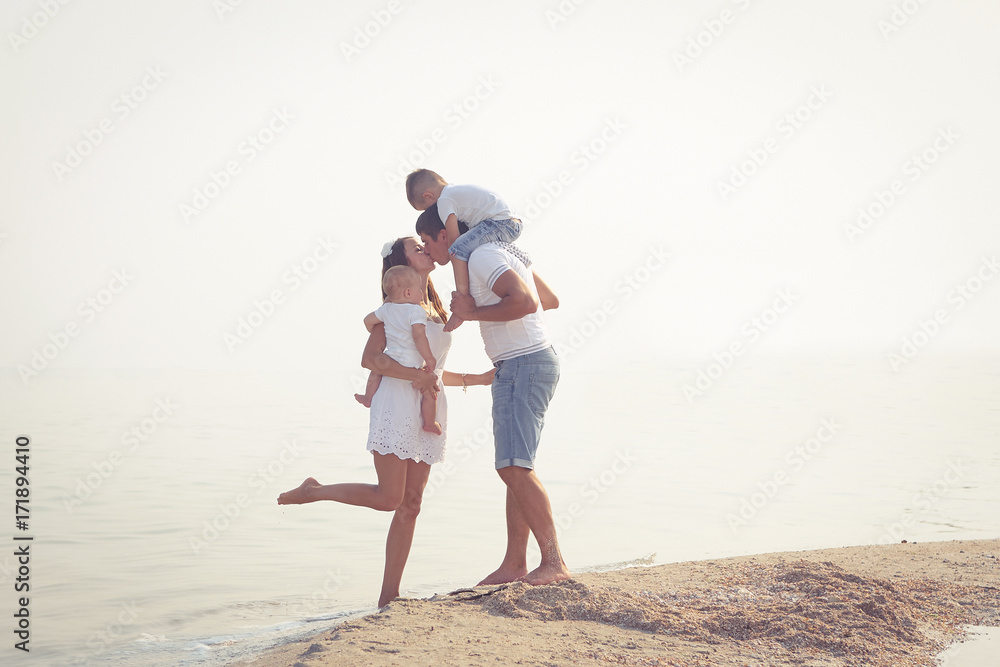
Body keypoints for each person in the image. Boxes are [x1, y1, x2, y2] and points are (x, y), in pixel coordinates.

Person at [278, 236, 495, 607]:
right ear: (401, 262)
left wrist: (476, 379)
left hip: (430, 403)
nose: (426, 249)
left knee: (411, 503)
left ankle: (388, 596)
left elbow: (436, 370)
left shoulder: (436, 309)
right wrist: (417, 378)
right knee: (389, 498)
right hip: (396, 403)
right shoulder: (392, 309)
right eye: (416, 247)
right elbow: (371, 360)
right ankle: (314, 491)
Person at [415, 209, 571, 587]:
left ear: (444, 236)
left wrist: (474, 311)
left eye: (427, 242)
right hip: (525, 362)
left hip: (523, 363)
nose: (427, 251)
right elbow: (548, 299)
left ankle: (554, 563)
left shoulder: (483, 256)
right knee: (516, 465)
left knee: (514, 468)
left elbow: (527, 302)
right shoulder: (501, 251)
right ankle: (515, 563)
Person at [405, 169, 536, 333]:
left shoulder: (445, 200)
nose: (433, 213)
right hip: (510, 222)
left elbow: (454, 240)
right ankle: (523, 260)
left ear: (428, 196)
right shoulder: (456, 191)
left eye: (428, 209)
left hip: (498, 223)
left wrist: (462, 298)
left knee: (457, 250)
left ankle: (464, 299)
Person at [361, 264, 441, 435]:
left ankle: (368, 397)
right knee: (428, 393)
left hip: (392, 357)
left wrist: (373, 330)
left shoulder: (386, 310)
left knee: (375, 373)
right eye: (419, 290)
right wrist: (429, 359)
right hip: (411, 361)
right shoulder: (416, 311)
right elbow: (419, 336)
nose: (421, 293)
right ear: (408, 293)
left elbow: (367, 320)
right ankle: (429, 422)